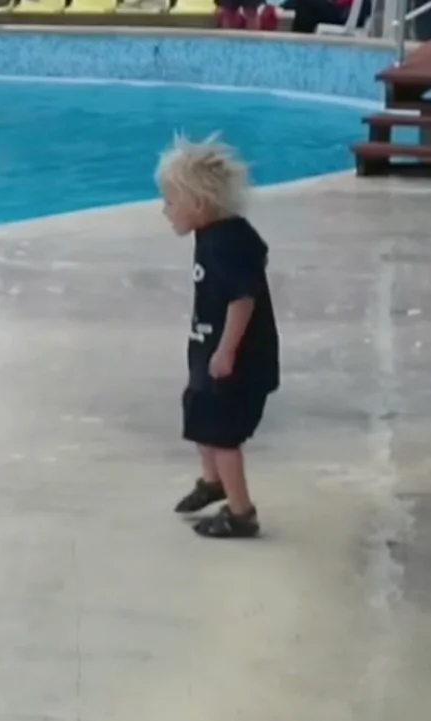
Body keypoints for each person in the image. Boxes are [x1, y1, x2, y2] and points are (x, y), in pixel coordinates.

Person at [156, 134, 279, 540]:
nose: (165, 210)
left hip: (237, 360)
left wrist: (226, 352)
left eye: (171, 202)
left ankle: (241, 513)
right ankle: (213, 483)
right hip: (211, 351)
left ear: (199, 203)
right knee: (199, 409)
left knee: (224, 435)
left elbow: (243, 299)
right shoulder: (212, 235)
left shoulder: (227, 243)